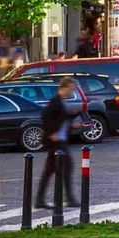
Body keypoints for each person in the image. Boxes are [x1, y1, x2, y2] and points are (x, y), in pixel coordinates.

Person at [35, 80, 78, 212]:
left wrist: (74, 118)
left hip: (60, 140)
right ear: (63, 88)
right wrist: (51, 133)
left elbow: (63, 117)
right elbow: (46, 117)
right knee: (64, 166)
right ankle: (68, 198)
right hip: (55, 141)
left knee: (51, 170)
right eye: (70, 89)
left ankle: (41, 199)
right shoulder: (55, 101)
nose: (71, 92)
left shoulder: (60, 101)